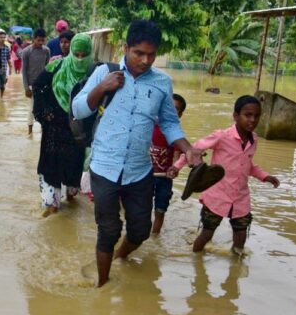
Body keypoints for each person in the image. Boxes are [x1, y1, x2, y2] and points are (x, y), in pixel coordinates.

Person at [71, 20, 203, 287]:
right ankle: (103, 285)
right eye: (139, 53)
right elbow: (78, 110)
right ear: (126, 47)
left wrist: (188, 149)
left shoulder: (162, 83)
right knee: (108, 229)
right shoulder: (104, 73)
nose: (145, 60)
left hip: (139, 170)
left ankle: (120, 256)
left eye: (151, 54)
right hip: (105, 167)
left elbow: (168, 123)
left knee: (141, 230)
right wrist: (102, 88)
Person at [168, 95, 280, 255]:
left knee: (241, 237)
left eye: (256, 116)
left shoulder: (254, 139)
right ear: (235, 116)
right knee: (206, 234)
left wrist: (265, 176)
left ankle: (234, 272)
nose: (252, 120)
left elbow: (248, 165)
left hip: (240, 198)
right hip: (217, 196)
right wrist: (176, 167)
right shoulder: (222, 136)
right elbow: (193, 150)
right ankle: (195, 262)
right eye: (247, 115)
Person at [35, 34, 93, 215]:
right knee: (52, 166)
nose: (80, 59)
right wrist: (44, 113)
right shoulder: (56, 66)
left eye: (84, 55)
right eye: (77, 54)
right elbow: (37, 86)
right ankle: (52, 206)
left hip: (77, 132)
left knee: (73, 167)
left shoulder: (94, 73)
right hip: (54, 128)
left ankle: (70, 196)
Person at [150, 93, 186, 234]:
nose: (170, 110)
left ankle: (154, 236)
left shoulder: (176, 134)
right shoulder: (149, 125)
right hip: (144, 175)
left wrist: (174, 168)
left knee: (160, 209)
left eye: (175, 108)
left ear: (180, 114)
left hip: (164, 178)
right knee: (142, 208)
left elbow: (177, 155)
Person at [21, 28, 50, 134]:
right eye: (38, 40)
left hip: (44, 84)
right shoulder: (26, 51)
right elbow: (23, 71)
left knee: (45, 107)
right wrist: (26, 88)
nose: (40, 43)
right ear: (34, 39)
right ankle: (30, 131)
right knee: (32, 108)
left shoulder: (46, 50)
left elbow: (48, 67)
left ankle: (44, 129)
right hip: (32, 85)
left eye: (43, 40)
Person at [0, 30, 12, 98]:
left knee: (3, 85)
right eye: (1, 37)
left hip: (4, 68)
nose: (2, 39)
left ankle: (1, 97)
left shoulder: (7, 48)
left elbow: (8, 59)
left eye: (4, 37)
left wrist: (10, 68)